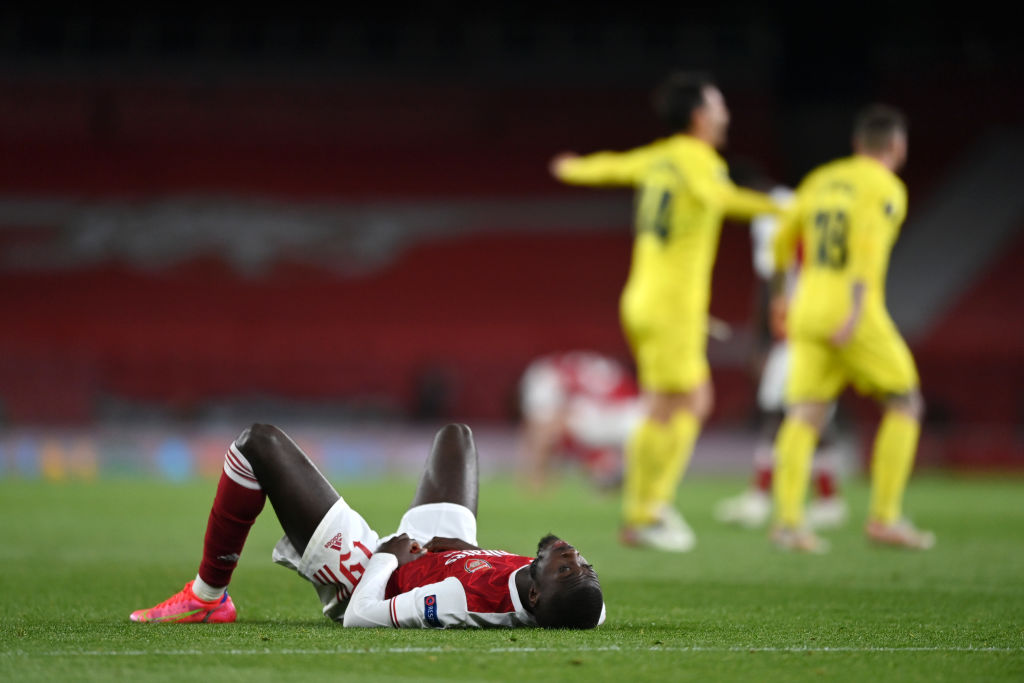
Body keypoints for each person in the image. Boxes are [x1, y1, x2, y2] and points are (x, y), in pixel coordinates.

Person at [549, 70, 785, 552]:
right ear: (700, 116)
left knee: (670, 405)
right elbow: (722, 199)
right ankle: (648, 510)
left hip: (642, 297)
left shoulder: (658, 157)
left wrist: (573, 167)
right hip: (672, 305)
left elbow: (612, 167)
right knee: (683, 403)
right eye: (719, 106)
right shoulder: (701, 161)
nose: (726, 114)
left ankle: (645, 510)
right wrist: (786, 209)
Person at [130, 423, 605, 628]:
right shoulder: (572, 600)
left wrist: (388, 555)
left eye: (566, 569)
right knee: (456, 437)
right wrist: (460, 551)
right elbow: (591, 609)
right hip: (441, 555)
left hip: (376, 577)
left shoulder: (460, 601)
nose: (573, 556)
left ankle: (207, 598)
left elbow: (362, 617)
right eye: (583, 563)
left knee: (258, 442)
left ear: (538, 596)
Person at [768, 104, 935, 553]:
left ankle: (787, 523)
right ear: (896, 147)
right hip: (851, 310)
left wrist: (782, 295)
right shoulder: (887, 188)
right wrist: (855, 311)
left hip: (807, 307)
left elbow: (783, 238)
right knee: (905, 402)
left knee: (804, 414)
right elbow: (868, 248)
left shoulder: (821, 179)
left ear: (858, 144)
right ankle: (884, 517)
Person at [714, 182, 849, 530]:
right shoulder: (813, 239)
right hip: (803, 338)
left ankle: (767, 500)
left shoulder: (787, 235)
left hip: (803, 339)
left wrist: (763, 341)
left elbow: (772, 282)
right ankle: (824, 498)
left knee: (789, 413)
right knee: (808, 415)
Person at [518, 350, 645, 492]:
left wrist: (536, 473)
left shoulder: (543, 373)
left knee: (554, 424)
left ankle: (609, 469)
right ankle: (608, 468)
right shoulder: (555, 372)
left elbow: (543, 428)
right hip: (630, 414)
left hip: (620, 416)